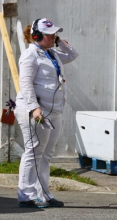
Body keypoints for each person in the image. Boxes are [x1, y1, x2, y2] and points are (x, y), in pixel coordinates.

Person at [14, 18, 79, 208]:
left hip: (53, 111)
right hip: (35, 110)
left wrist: (59, 42)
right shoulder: (30, 55)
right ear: (37, 36)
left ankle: (43, 193)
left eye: (54, 34)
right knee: (34, 152)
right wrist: (34, 107)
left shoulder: (51, 53)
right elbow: (25, 84)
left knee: (46, 154)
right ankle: (26, 195)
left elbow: (73, 54)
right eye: (50, 35)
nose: (54, 37)